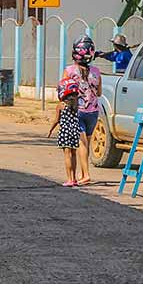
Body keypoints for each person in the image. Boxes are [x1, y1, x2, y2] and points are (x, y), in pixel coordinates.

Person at [62, 35, 102, 186]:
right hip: (93, 112)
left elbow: (63, 91)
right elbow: (99, 93)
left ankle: (85, 175)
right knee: (86, 143)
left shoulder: (69, 70)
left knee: (81, 144)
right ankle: (83, 172)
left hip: (77, 111)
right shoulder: (97, 72)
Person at [48, 78, 82, 186]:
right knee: (74, 154)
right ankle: (74, 179)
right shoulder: (77, 105)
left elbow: (56, 120)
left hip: (65, 132)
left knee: (67, 155)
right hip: (75, 131)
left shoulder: (61, 105)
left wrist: (50, 130)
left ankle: (69, 179)